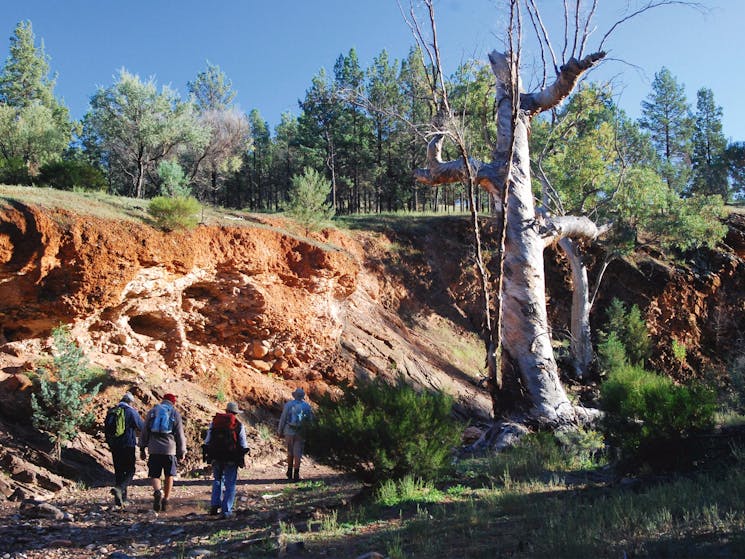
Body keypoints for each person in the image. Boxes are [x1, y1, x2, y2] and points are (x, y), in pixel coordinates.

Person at [139, 393, 186, 513]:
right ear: (173, 402)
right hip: (170, 449)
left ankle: (157, 491)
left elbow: (145, 430)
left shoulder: (153, 411)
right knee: (169, 475)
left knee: (155, 474)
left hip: (154, 449)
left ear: (163, 400)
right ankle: (166, 499)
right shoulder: (175, 413)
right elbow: (180, 434)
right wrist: (182, 451)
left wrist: (142, 447)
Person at [203, 401, 250, 519]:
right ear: (235, 413)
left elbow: (207, 440)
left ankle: (214, 505)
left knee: (217, 480)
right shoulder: (238, 425)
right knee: (230, 483)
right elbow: (243, 444)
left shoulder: (215, 423)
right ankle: (226, 510)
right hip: (231, 457)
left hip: (216, 456)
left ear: (226, 411)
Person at [104, 391, 143, 507]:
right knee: (130, 470)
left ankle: (121, 500)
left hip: (115, 446)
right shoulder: (130, 412)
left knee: (119, 472)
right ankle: (119, 489)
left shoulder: (112, 412)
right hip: (127, 445)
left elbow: (106, 429)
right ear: (130, 402)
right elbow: (141, 426)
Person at [277, 387, 313, 481]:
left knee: (290, 451)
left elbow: (283, 418)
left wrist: (280, 430)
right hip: (301, 432)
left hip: (289, 431)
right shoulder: (307, 406)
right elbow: (310, 420)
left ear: (295, 395)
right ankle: (296, 473)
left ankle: (289, 471)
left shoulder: (289, 405)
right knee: (298, 453)